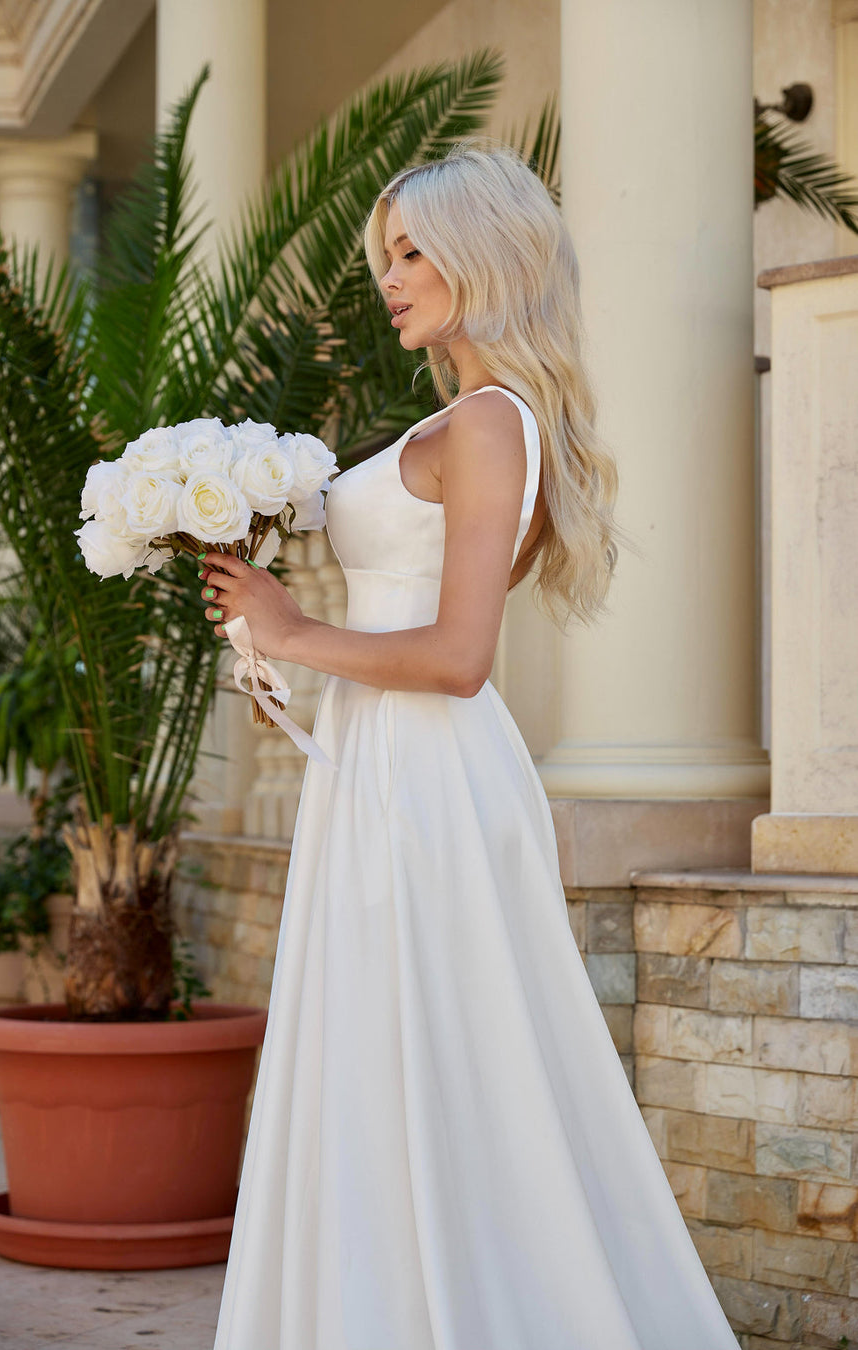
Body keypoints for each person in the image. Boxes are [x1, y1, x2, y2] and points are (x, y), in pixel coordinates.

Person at [202, 143, 740, 1350]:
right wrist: (278, 646)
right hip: (382, 767)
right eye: (383, 254)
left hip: (429, 775)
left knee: (451, 1055)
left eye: (411, 252)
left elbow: (456, 658)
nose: (388, 277)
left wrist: (299, 627)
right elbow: (396, 635)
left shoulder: (493, 422)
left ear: (487, 259)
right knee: (387, 1051)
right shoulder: (462, 415)